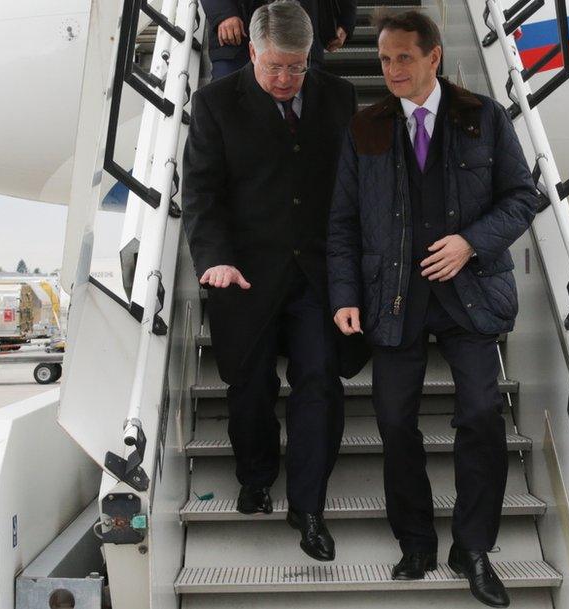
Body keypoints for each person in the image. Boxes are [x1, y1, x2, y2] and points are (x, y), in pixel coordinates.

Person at [327, 10, 537, 607]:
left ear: (434, 57)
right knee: (395, 423)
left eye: (404, 58)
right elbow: (342, 223)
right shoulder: (365, 127)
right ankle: (415, 541)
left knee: (481, 416)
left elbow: (523, 197)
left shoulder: (482, 117)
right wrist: (344, 296)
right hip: (394, 302)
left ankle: (472, 549)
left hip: (471, 297)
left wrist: (472, 240)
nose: (392, 69)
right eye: (385, 59)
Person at [182, 0, 358, 562]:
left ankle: (308, 508)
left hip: (316, 273)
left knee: (320, 384)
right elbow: (202, 195)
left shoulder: (339, 98)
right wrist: (214, 257)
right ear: (251, 52)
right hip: (244, 275)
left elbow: (352, 190)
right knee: (250, 387)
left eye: (297, 67)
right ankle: (256, 476)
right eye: (273, 66)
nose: (285, 79)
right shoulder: (213, 104)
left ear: (311, 58)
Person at [200, 0, 356, 79]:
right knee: (226, 109)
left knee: (302, 116)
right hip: (238, 38)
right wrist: (224, 14)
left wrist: (345, 20)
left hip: (302, 34)